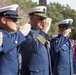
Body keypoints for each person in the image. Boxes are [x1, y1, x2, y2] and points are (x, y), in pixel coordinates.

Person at [0, 4, 31, 75]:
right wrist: (21, 33)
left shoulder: (10, 36)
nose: (17, 22)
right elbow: (5, 46)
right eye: (14, 19)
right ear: (3, 20)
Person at [21, 6, 52, 75]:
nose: (43, 21)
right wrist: (45, 30)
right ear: (31, 18)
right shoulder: (26, 32)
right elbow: (34, 47)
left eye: (44, 19)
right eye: (40, 19)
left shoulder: (40, 33)